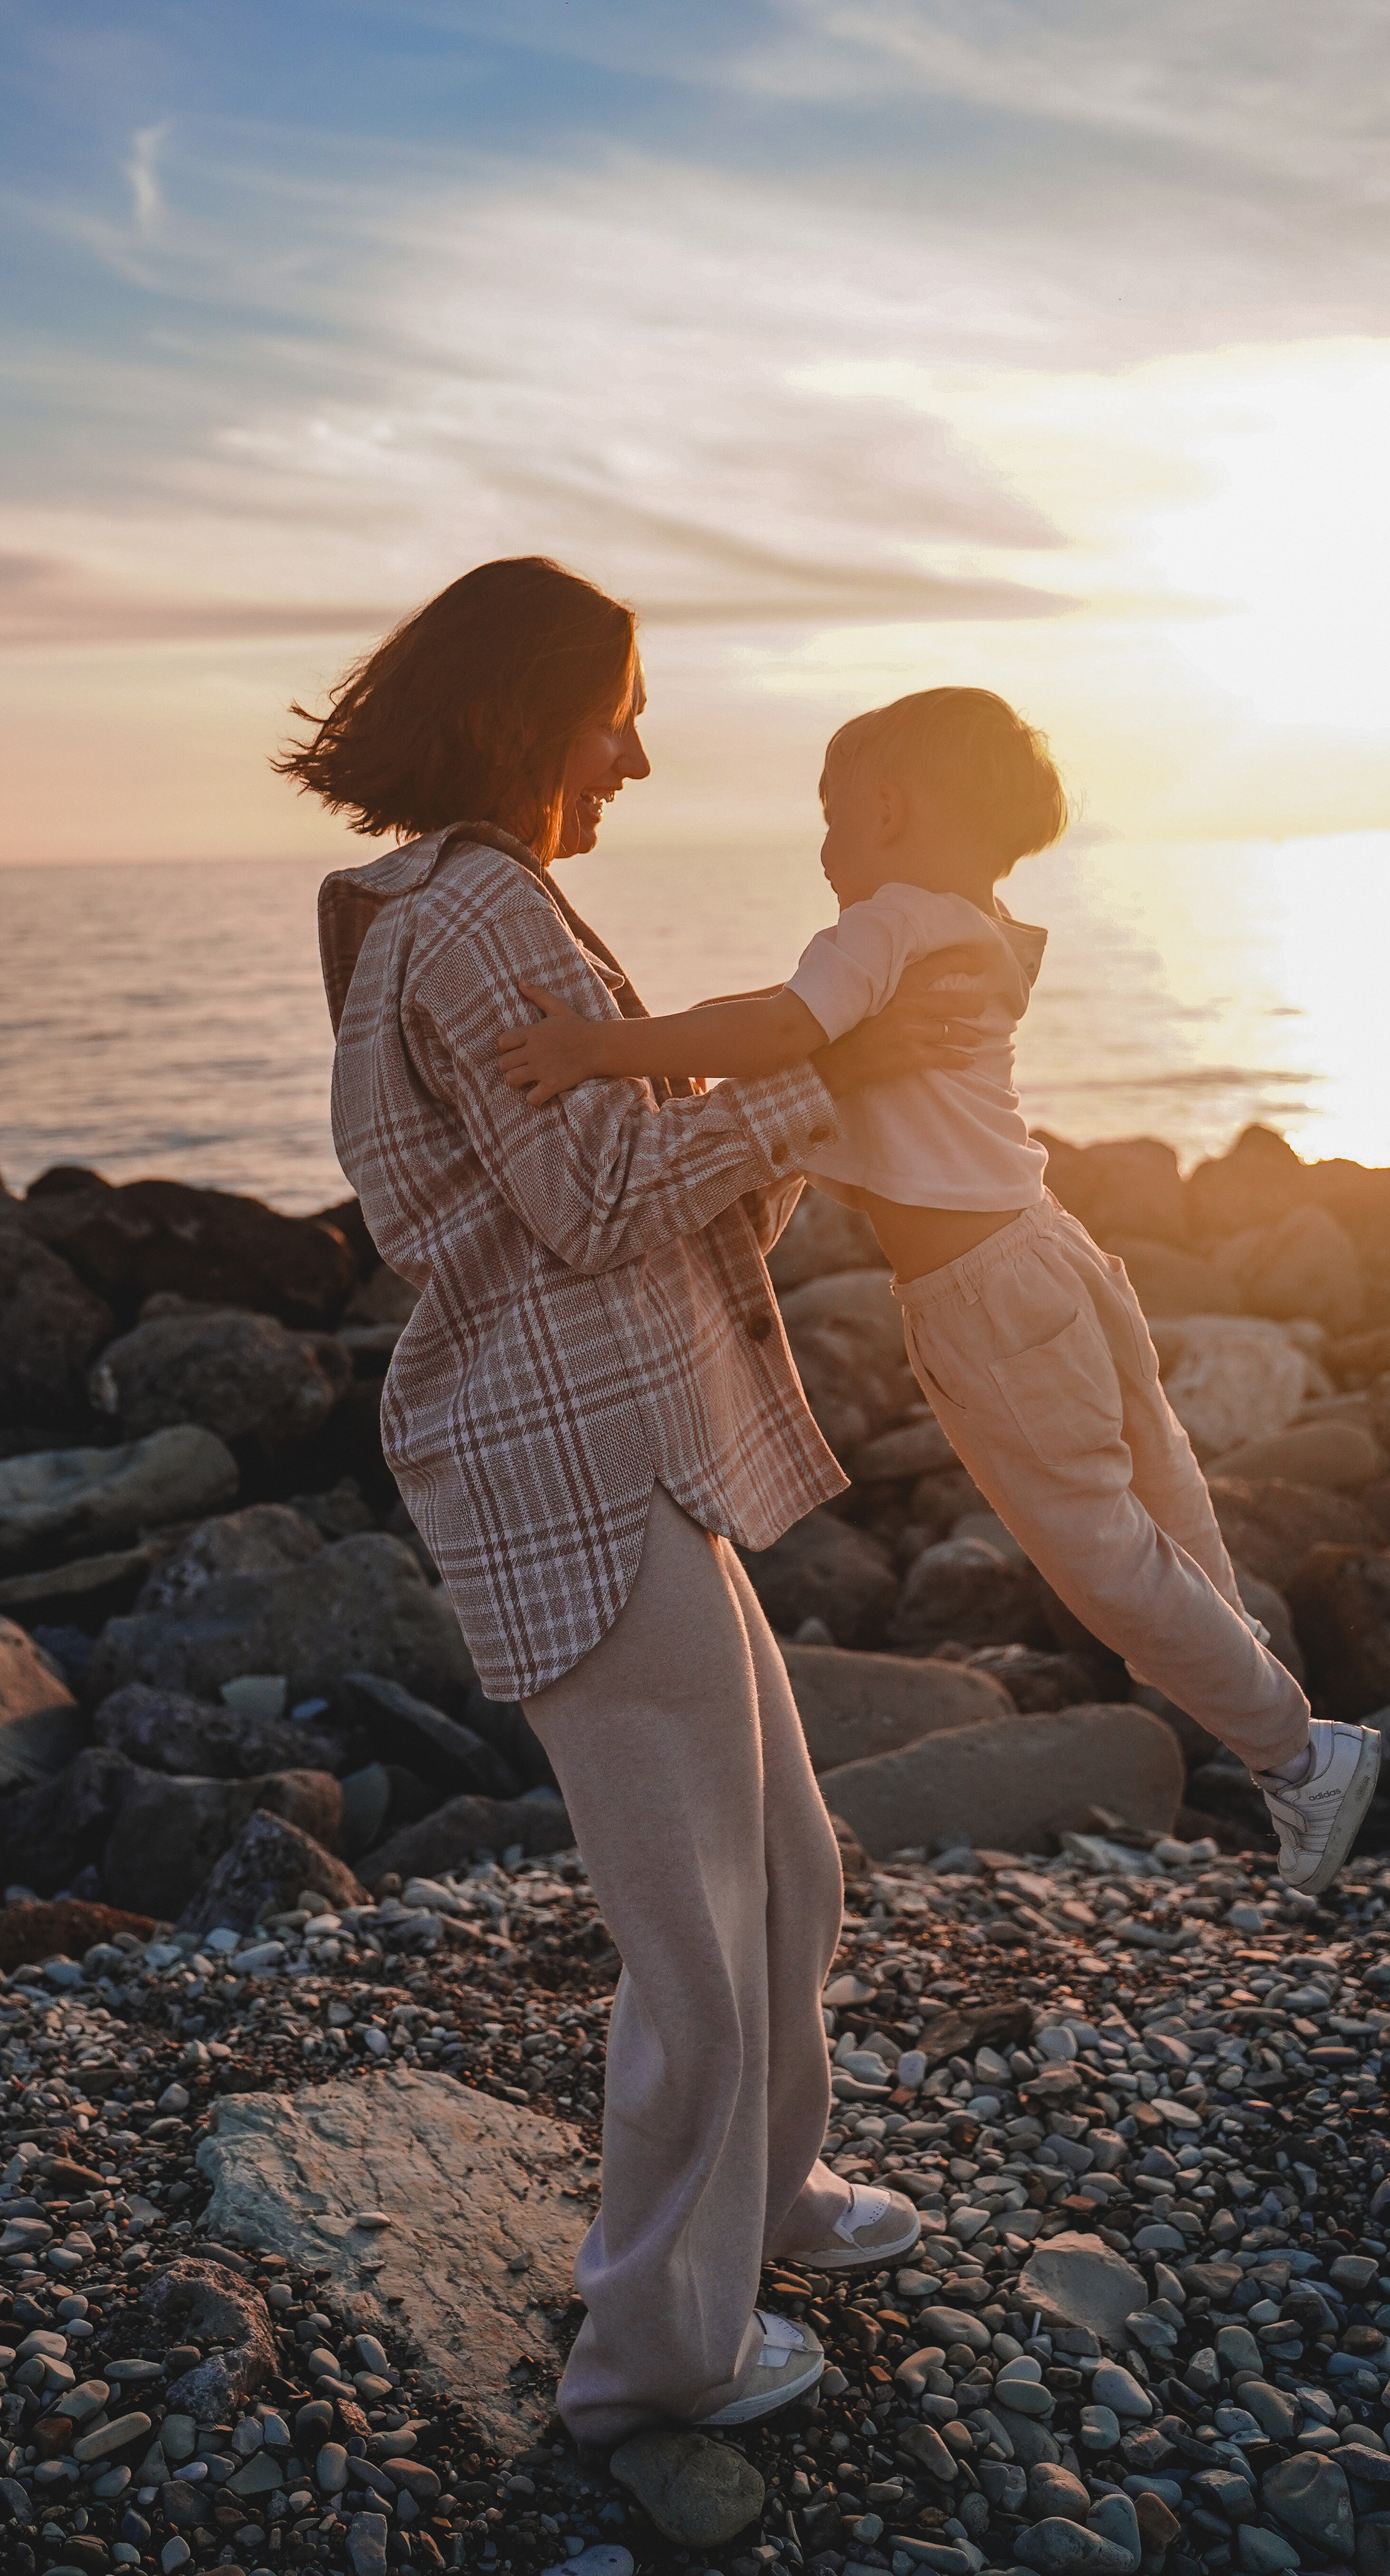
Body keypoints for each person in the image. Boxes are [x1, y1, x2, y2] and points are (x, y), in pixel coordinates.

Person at [278, 556, 996, 2453]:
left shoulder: (482, 908)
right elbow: (597, 1201)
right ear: (528, 713)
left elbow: (632, 1174)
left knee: (786, 1871)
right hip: (565, 1463)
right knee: (693, 1934)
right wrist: (830, 1077)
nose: (640, 752)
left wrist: (783, 1094)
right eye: (618, 709)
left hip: (621, 1448)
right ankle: (657, 2354)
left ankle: (759, 2201)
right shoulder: (480, 916)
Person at [498, 683, 1382, 1895]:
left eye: (829, 819)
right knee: (1166, 1499)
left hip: (982, 1293)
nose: (822, 853)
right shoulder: (979, 926)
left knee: (1103, 1560)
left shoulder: (887, 922)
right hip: (1053, 1245)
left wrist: (595, 1048)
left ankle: (1297, 1751)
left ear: (888, 807)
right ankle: (1271, 1714)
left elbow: (773, 1030)